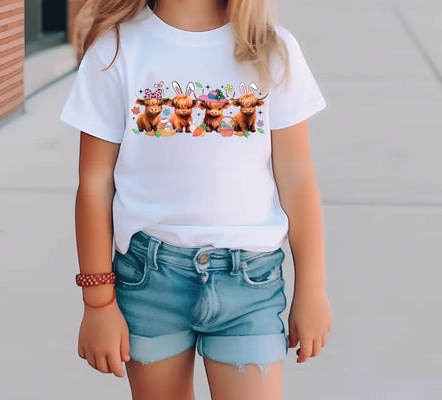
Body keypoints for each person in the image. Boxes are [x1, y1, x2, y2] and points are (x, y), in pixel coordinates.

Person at [59, 0, 332, 398]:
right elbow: (95, 183)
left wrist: (312, 288)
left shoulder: (272, 49)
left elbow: (297, 176)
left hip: (249, 283)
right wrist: (97, 303)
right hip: (150, 280)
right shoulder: (116, 49)